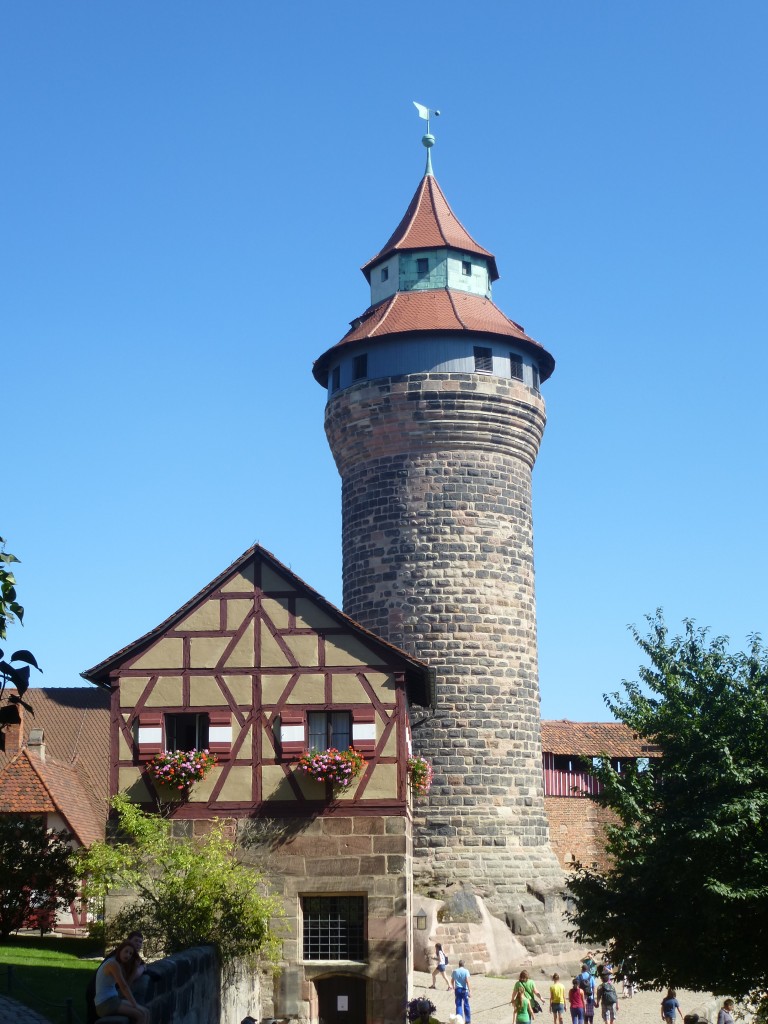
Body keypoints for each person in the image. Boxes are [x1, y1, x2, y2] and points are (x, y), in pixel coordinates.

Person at [93, 941, 150, 1023]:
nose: (128, 955)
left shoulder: (119, 964)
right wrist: (135, 1004)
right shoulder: (113, 964)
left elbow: (127, 984)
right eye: (126, 951)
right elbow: (124, 987)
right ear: (120, 951)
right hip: (104, 1003)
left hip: (113, 999)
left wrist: (135, 968)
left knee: (146, 1012)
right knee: (140, 1014)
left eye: (130, 954)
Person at [451, 959, 472, 1024]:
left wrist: (453, 987)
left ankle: (459, 1021)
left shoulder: (455, 971)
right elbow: (467, 981)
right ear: (464, 964)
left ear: (459, 964)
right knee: (466, 1005)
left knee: (458, 1005)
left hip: (458, 990)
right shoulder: (466, 971)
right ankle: (467, 1020)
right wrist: (470, 991)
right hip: (464, 990)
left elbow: (452, 981)